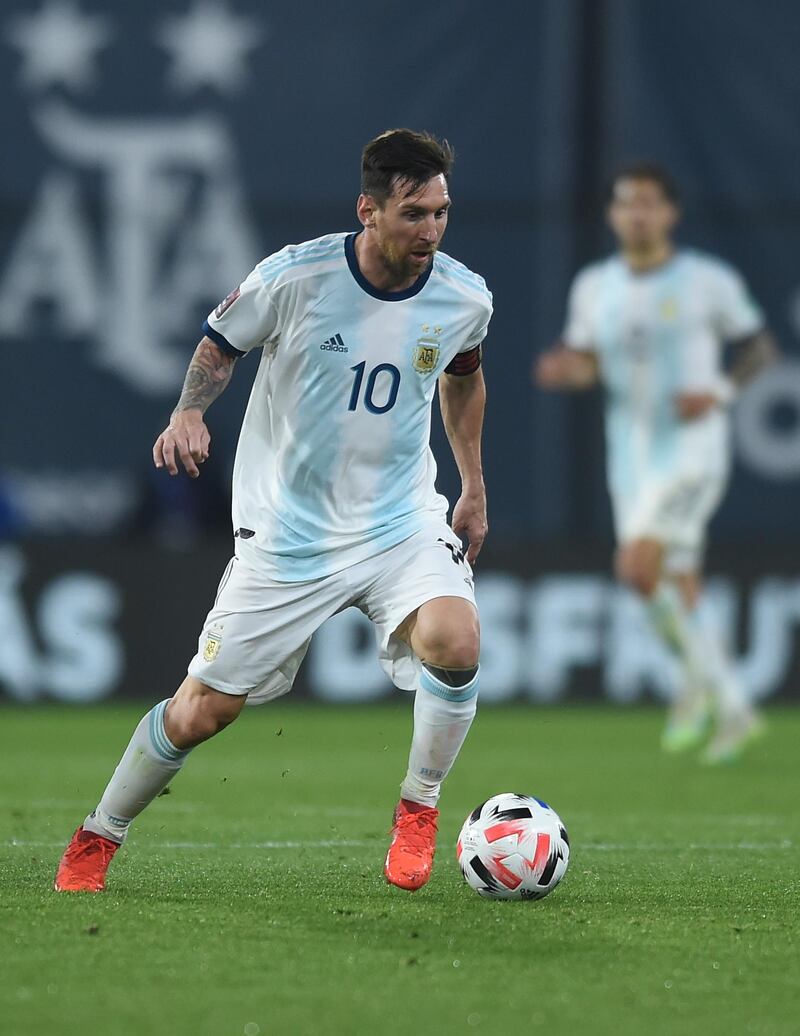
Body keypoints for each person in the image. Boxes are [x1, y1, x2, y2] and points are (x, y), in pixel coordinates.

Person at [55, 129, 492, 893]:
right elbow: (220, 345)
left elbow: (462, 377)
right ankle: (99, 834)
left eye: (442, 213)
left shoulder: (463, 296)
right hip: (289, 533)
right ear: (369, 209)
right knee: (202, 712)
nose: (431, 231)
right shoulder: (297, 276)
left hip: (400, 521)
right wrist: (188, 413)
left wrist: (473, 485)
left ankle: (418, 810)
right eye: (415, 213)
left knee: (455, 640)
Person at [536, 162, 776, 763]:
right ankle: (717, 700)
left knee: (638, 567)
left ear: (670, 212)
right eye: (625, 204)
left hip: (693, 449)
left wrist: (718, 393)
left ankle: (713, 697)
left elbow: (759, 347)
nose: (636, 214)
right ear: (614, 215)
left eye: (647, 203)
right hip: (632, 455)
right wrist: (571, 371)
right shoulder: (594, 287)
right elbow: (588, 360)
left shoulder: (705, 280)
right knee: (676, 584)